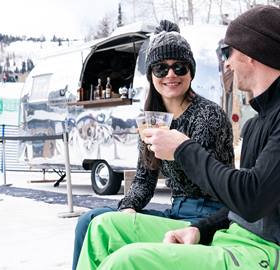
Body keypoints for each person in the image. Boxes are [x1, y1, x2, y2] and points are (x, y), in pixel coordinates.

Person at [77, 5, 280, 270]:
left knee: (128, 261)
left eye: (228, 52)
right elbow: (242, 207)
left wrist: (182, 148)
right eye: (160, 69)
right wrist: (200, 230)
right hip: (239, 237)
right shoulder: (259, 121)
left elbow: (251, 200)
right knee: (104, 228)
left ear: (251, 53)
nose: (227, 63)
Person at [72, 20, 234, 270]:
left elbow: (207, 180)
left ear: (191, 72)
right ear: (151, 75)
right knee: (90, 220)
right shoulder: (151, 119)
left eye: (179, 67)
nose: (171, 75)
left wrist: (175, 149)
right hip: (176, 209)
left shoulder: (208, 116)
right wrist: (129, 206)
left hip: (208, 216)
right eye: (161, 69)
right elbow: (144, 179)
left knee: (101, 226)